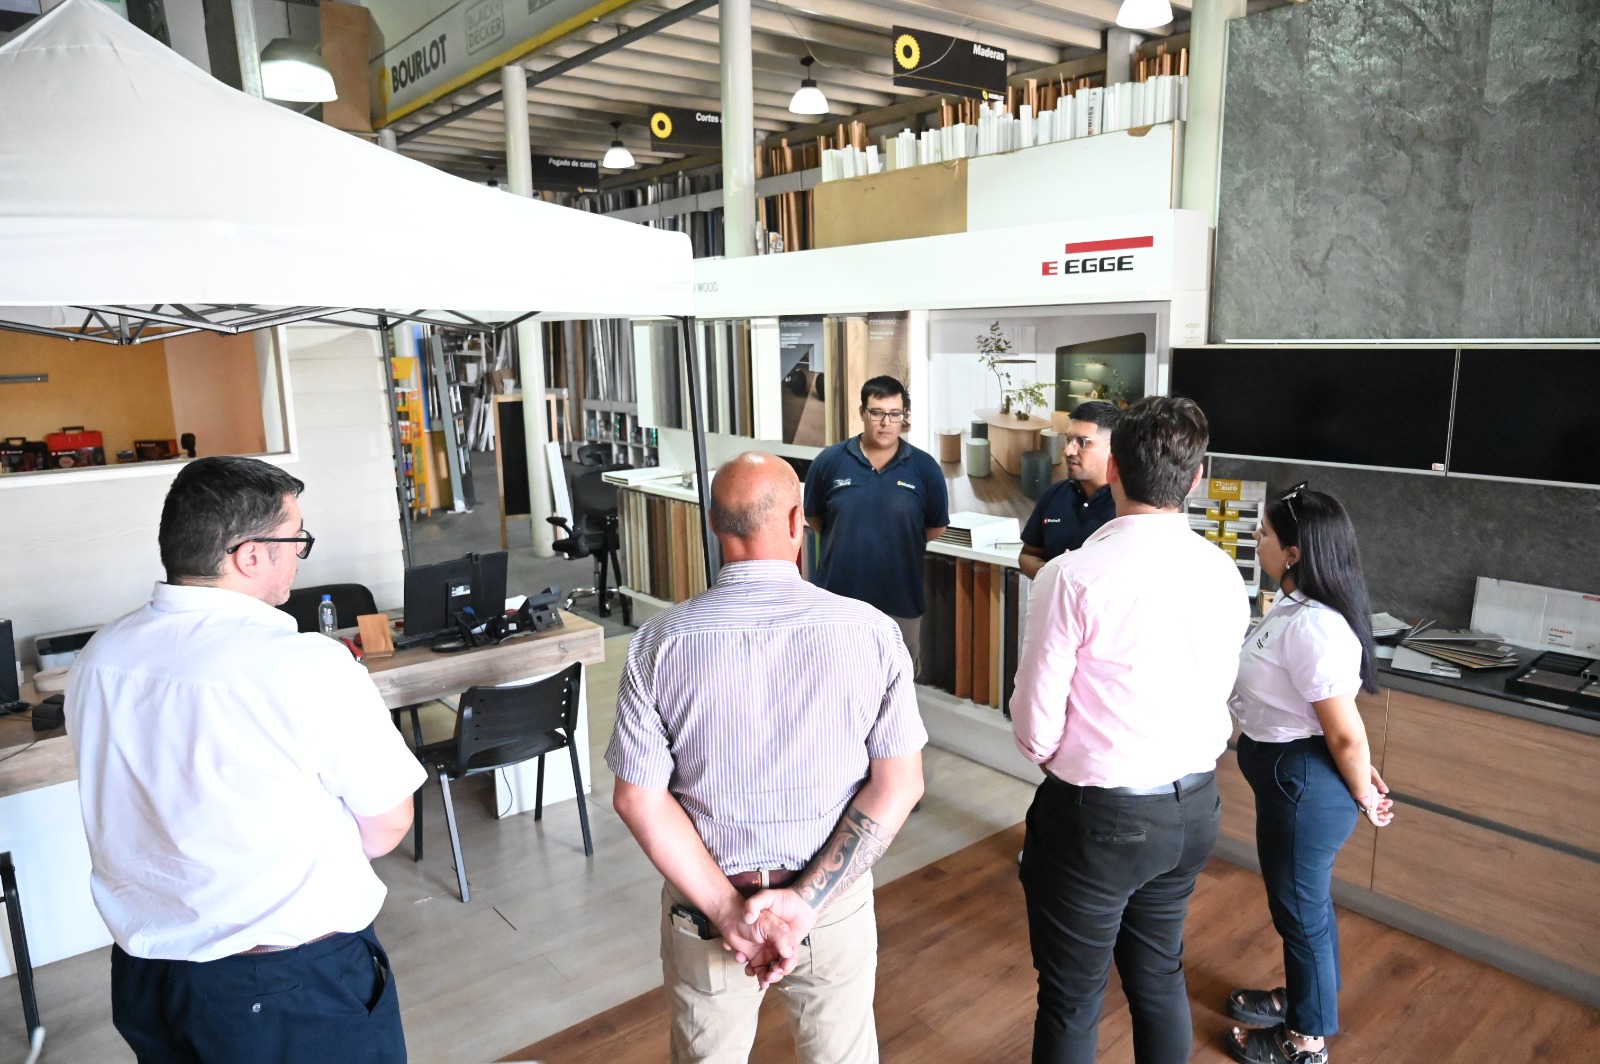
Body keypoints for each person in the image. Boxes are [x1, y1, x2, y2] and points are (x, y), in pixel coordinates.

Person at [65, 456, 424, 1064]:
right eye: (297, 540)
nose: (300, 555)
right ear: (251, 555)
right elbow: (389, 822)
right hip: (284, 984)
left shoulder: (101, 655)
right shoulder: (305, 665)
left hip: (147, 976)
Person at [608, 451, 926, 1064]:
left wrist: (728, 911)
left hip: (708, 913)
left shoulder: (658, 643)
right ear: (796, 520)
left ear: (713, 525)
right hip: (830, 907)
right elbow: (900, 785)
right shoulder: (871, 632)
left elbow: (637, 799)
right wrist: (805, 902)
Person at [1011, 396, 1249, 1064]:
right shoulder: (1223, 571)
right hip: (1194, 808)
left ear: (1112, 468)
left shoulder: (1071, 576)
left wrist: (1061, 758)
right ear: (1195, 479)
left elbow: (1034, 726)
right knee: (1159, 974)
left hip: (1099, 818)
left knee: (1072, 997)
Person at [1223, 485, 1394, 1064]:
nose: (1257, 538)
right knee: (1304, 907)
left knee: (1299, 913)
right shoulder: (1292, 607)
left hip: (1301, 786)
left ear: (1294, 552)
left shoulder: (1315, 626)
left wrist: (1364, 790)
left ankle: (1305, 1041)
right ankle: (1305, 998)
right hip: (1290, 775)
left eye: (1266, 533)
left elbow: (1345, 733)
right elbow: (1325, 723)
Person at [803, 375, 948, 673]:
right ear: (862, 412)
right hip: (839, 601)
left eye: (895, 414)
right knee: (838, 679)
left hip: (901, 602)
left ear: (904, 415)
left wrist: (899, 538)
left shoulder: (925, 469)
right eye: (877, 413)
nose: (886, 423)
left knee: (897, 684)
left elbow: (935, 527)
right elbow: (815, 518)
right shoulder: (829, 462)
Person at [1017, 401, 1121, 579]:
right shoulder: (1054, 494)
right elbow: (1028, 555)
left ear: (1113, 447)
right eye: (1068, 440)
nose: (1068, 451)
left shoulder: (1128, 505)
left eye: (1082, 442)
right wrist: (1055, 573)